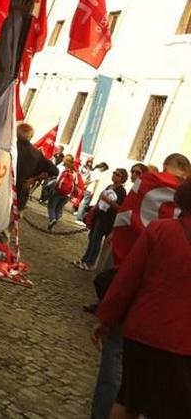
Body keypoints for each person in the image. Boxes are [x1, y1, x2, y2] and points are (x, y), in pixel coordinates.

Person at [91, 178, 191, 419]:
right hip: (184, 344)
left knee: (128, 400)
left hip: (145, 331)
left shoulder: (160, 230)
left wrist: (105, 317)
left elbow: (127, 280)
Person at [73, 168, 128, 271]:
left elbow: (120, 208)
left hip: (107, 219)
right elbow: (101, 198)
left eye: (118, 174)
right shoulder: (109, 186)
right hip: (98, 215)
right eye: (114, 173)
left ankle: (90, 263)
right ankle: (84, 259)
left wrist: (107, 200)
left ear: (122, 178)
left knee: (96, 240)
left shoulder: (121, 191)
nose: (114, 175)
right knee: (91, 238)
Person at [15, 123, 59, 212]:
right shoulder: (36, 154)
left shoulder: (8, 146)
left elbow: (54, 171)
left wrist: (34, 179)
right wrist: (34, 179)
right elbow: (54, 171)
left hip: (2, 189)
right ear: (31, 136)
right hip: (20, 195)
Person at [46, 153, 76, 230]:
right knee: (59, 208)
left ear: (64, 160)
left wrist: (53, 188)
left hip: (58, 191)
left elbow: (57, 179)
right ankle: (54, 222)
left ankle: (52, 219)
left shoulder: (61, 168)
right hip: (67, 193)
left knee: (51, 206)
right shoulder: (75, 171)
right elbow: (76, 183)